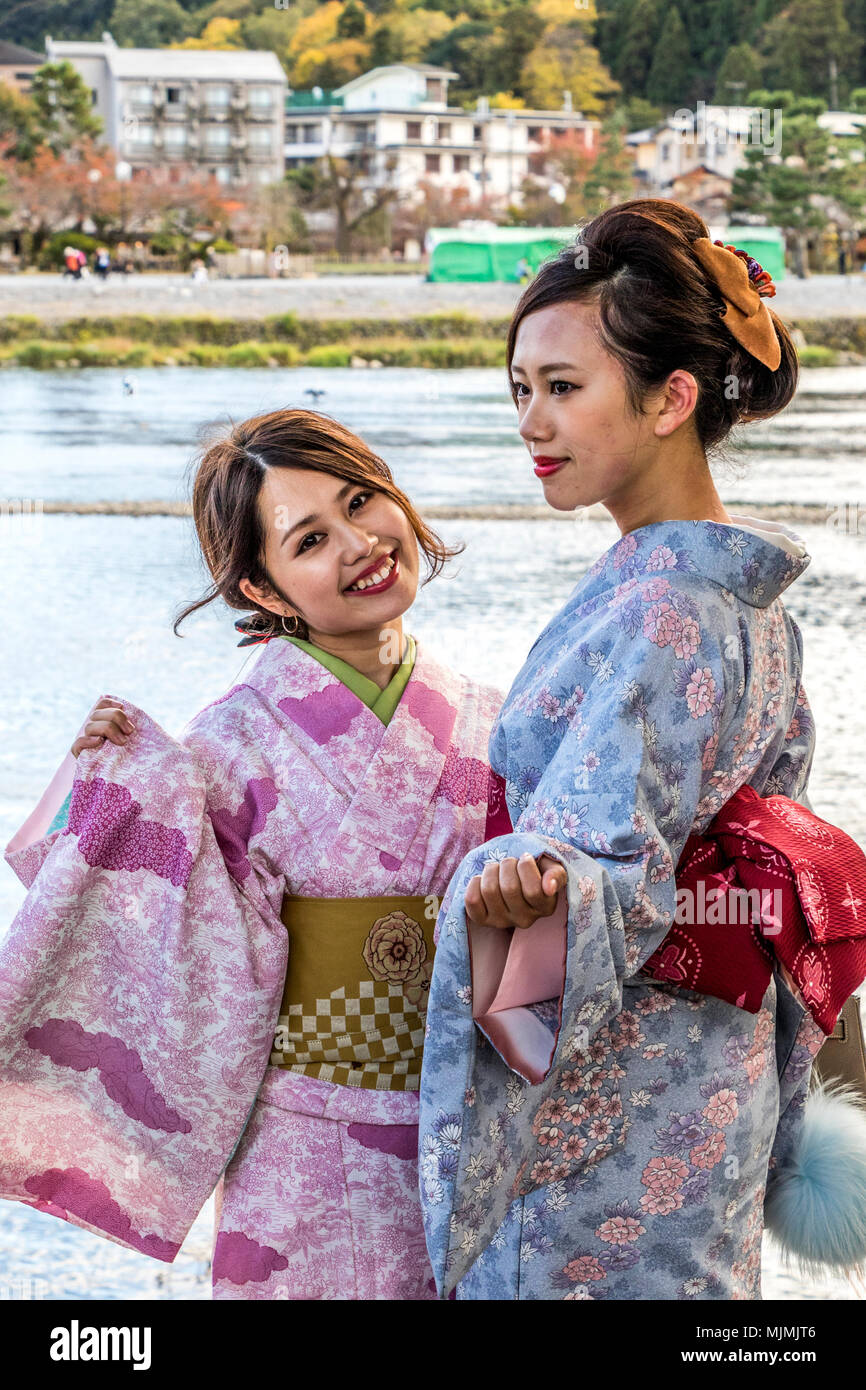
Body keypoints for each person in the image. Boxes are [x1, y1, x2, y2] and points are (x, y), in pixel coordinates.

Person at [0, 408, 564, 1301]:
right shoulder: (227, 745)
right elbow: (155, 936)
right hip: (308, 1143)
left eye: (362, 501)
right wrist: (109, 787)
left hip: (478, 1120)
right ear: (263, 591)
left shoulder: (505, 717)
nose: (359, 544)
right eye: (309, 539)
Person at [419, 199, 866, 1299]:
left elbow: (597, 884)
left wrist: (507, 885)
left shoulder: (659, 610)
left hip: (607, 1110)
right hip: (709, 1078)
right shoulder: (751, 608)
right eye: (519, 389)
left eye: (563, 389)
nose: (531, 421)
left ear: (670, 398)